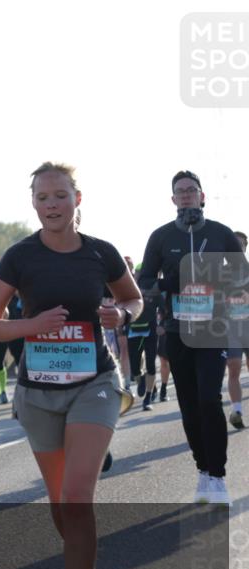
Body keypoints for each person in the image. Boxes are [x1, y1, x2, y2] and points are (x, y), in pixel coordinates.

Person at [0, 161, 142, 569]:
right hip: (39, 391)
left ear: (78, 199)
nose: (51, 205)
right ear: (34, 203)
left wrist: (121, 314)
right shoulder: (19, 257)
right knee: (58, 504)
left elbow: (134, 301)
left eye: (60, 196)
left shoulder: (101, 253)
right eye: (42, 197)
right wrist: (33, 326)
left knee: (76, 495)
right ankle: (81, 559)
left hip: (94, 382)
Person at [137, 170, 248, 505]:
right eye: (180, 191)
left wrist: (218, 278)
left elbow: (243, 277)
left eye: (191, 190)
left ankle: (218, 476)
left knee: (208, 400)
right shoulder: (160, 237)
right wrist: (169, 282)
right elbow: (144, 282)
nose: (186, 195)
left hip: (212, 330)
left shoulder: (220, 234)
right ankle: (202, 469)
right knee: (188, 407)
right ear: (173, 199)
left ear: (202, 196)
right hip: (177, 329)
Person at [121, 262, 159, 411]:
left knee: (150, 364)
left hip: (151, 331)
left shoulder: (154, 288)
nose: (141, 275)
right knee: (135, 368)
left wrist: (163, 324)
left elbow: (163, 307)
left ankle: (148, 397)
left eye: (143, 272)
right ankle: (143, 380)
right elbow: (121, 307)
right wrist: (120, 326)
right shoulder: (128, 290)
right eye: (138, 272)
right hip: (133, 331)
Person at [225, 230, 248, 429]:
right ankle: (237, 410)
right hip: (230, 327)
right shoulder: (218, 272)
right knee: (233, 367)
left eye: (240, 245)